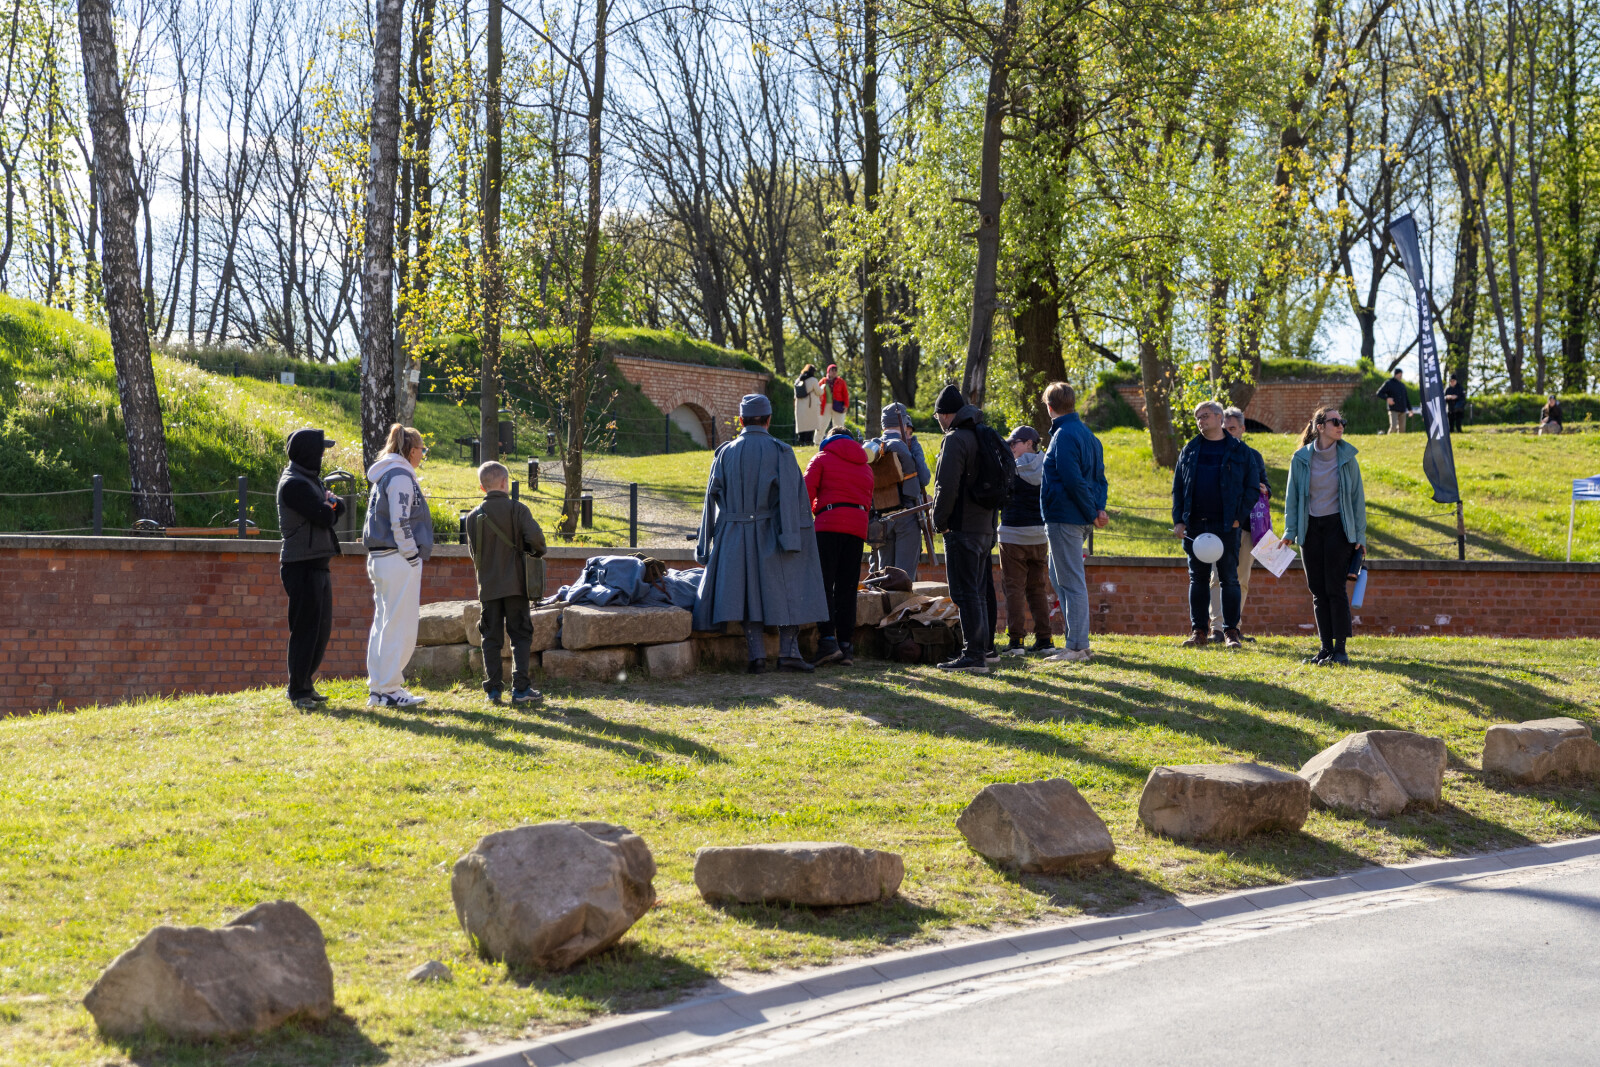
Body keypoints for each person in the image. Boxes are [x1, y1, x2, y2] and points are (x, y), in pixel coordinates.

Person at [694, 393, 830, 673]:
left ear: (741, 420)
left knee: (746, 594)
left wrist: (704, 545)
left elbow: (710, 500)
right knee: (789, 586)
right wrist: (793, 538)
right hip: (773, 533)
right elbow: (793, 501)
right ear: (768, 420)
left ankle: (756, 656)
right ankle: (788, 653)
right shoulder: (781, 451)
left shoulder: (724, 452)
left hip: (732, 536)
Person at [1281, 406, 1367, 666]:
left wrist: (1360, 535)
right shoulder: (1301, 459)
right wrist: (1290, 532)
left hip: (1339, 528)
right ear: (1320, 426)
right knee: (1317, 590)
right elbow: (1292, 498)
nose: (1341, 425)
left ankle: (1340, 650)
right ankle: (1325, 648)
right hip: (1310, 528)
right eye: (1335, 421)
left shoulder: (1348, 458)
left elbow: (1357, 499)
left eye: (1342, 421)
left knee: (1335, 588)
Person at [1171, 400, 1256, 648]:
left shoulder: (1240, 451)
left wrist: (1239, 517)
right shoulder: (1189, 450)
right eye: (1198, 417)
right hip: (1195, 525)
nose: (1201, 421)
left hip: (1227, 525)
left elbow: (1252, 487)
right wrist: (1178, 520)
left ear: (1220, 418)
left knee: (1229, 579)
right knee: (1197, 579)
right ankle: (1199, 631)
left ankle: (1231, 632)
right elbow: (1178, 488)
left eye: (1205, 416)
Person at [362, 423, 434, 707]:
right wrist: (412, 555)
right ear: (411, 450)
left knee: (383, 623)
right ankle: (391, 688)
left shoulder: (384, 474)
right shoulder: (402, 475)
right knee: (400, 626)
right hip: (396, 557)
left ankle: (379, 687)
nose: (422, 455)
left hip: (380, 557)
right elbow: (400, 520)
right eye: (422, 450)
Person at [464, 460, 547, 705]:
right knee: (520, 635)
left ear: (482, 487)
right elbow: (538, 542)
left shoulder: (472, 517)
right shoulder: (518, 510)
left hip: (488, 587)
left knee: (490, 637)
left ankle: (493, 690)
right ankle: (520, 689)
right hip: (516, 585)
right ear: (504, 482)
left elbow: (474, 554)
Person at [275, 428, 346, 710]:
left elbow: (335, 506)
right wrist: (329, 504)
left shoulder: (309, 481)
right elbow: (325, 515)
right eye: (320, 451)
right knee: (305, 629)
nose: (323, 456)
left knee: (321, 629)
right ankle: (298, 690)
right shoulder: (294, 484)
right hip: (301, 565)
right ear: (309, 454)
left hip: (318, 563)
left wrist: (330, 504)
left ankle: (306, 683)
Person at [931, 384, 999, 674]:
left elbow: (945, 486)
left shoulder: (956, 439)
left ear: (946, 415)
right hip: (985, 527)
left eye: (937, 417)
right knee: (979, 592)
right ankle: (982, 650)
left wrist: (939, 521)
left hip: (962, 528)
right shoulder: (984, 436)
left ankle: (973, 655)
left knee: (964, 592)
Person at [1040, 382, 1108, 664]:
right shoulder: (1088, 435)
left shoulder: (1063, 435)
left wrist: (1094, 510)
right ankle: (1075, 641)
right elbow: (1100, 479)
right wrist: (1098, 508)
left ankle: (1078, 646)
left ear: (1050, 407)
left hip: (1066, 517)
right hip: (1076, 516)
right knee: (1059, 577)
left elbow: (1072, 479)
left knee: (1071, 580)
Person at [804, 426, 875, 666]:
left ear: (829, 439)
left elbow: (805, 492)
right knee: (847, 587)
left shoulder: (822, 458)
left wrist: (815, 511)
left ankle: (827, 641)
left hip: (828, 524)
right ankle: (846, 645)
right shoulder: (865, 466)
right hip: (857, 529)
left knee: (823, 584)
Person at [1208, 407, 1269, 642]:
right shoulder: (1212, 453)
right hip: (1218, 528)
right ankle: (1216, 629)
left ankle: (1234, 627)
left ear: (1243, 429)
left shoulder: (1253, 456)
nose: (1228, 433)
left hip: (1246, 528)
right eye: (1224, 428)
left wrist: (1265, 490)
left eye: (1232, 428)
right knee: (1216, 579)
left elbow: (1265, 485)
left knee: (1241, 579)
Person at [997, 425, 1054, 656]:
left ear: (1029, 443)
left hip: (1012, 535)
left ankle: (1016, 641)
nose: (1011, 447)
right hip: (1039, 535)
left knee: (1014, 589)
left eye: (1015, 443)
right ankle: (1044, 639)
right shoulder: (1049, 464)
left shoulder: (1009, 467)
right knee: (1037, 588)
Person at [873, 402, 932, 580]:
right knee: (904, 578)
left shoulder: (872, 448)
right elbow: (924, 478)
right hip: (907, 516)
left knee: (883, 577)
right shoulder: (908, 445)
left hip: (881, 519)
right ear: (904, 423)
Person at [817, 364, 849, 438]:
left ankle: (840, 440)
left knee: (839, 425)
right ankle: (817, 442)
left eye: (835, 370)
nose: (834, 372)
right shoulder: (823, 381)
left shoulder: (841, 381)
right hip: (825, 405)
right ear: (828, 371)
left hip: (838, 405)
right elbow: (817, 392)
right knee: (822, 424)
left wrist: (846, 405)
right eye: (832, 370)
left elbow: (845, 394)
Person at [793, 363, 821, 445]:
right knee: (810, 423)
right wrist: (822, 387)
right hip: (810, 405)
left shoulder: (798, 380)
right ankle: (809, 441)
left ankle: (801, 441)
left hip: (799, 405)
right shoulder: (813, 380)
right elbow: (819, 392)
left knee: (802, 424)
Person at [1377, 368, 1410, 434]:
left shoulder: (1402, 385)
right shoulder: (1389, 383)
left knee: (1402, 429)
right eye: (1400, 374)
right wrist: (1387, 398)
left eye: (1401, 374)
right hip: (1393, 409)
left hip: (1402, 409)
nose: (1401, 376)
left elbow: (1406, 398)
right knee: (1393, 426)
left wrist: (1410, 409)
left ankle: (1401, 443)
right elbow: (1379, 393)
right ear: (1396, 374)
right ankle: (1388, 439)